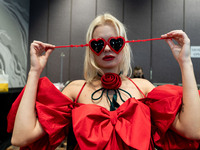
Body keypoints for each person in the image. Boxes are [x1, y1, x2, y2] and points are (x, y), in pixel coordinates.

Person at [7, 13, 200, 150]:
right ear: (90, 50)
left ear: (124, 47)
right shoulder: (75, 89)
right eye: (98, 44)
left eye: (114, 43)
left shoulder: (144, 88)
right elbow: (21, 137)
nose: (107, 49)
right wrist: (34, 71)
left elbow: (193, 130)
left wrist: (185, 62)